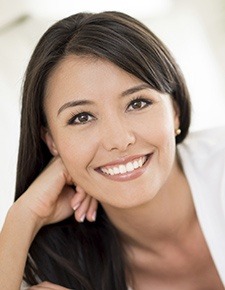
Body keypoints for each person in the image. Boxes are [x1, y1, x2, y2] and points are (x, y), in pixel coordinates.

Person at [0, 11, 225, 290]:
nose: (118, 140)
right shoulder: (46, 265)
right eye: (82, 117)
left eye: (137, 103)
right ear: (52, 142)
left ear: (175, 110)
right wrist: (23, 216)